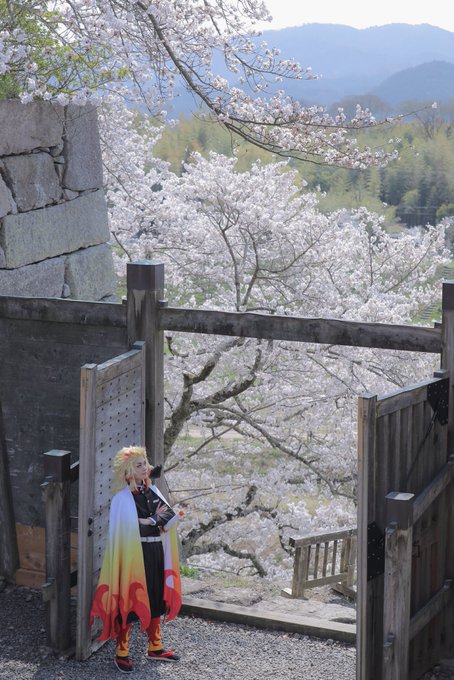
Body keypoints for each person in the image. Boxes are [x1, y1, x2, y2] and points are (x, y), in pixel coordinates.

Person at [89, 446, 182, 673]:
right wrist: (154, 520)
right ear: (128, 471)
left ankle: (155, 647)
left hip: (155, 551)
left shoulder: (153, 491)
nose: (145, 468)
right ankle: (122, 652)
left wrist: (149, 521)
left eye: (145, 464)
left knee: (155, 596)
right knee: (130, 598)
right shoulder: (121, 499)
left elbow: (168, 515)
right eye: (139, 465)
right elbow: (131, 528)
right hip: (133, 555)